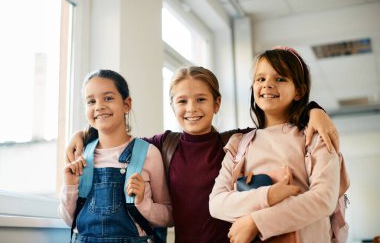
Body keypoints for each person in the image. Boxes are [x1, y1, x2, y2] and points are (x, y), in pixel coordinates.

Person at [65, 66, 340, 243]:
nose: (191, 108)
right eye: (182, 101)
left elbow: (273, 122)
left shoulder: (237, 141)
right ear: (173, 107)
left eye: (201, 99)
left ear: (216, 103)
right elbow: (116, 141)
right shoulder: (163, 145)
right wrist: (84, 134)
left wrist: (314, 110)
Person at [209, 47, 345, 242]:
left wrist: (257, 221)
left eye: (280, 78)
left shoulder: (315, 136)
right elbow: (217, 204)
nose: (268, 85)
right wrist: (270, 195)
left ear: (299, 91)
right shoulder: (239, 143)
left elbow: (324, 199)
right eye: (260, 79)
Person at [58, 70, 173, 243]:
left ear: (126, 104)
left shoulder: (148, 153)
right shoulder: (80, 155)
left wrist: (143, 203)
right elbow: (69, 220)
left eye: (108, 98)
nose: (99, 106)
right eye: (91, 101)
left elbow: (169, 217)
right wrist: (70, 186)